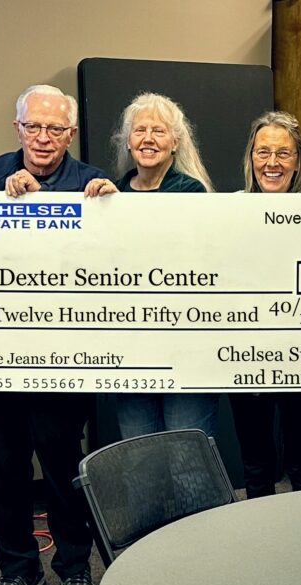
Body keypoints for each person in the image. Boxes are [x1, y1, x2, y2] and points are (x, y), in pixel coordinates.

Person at [0, 85, 101, 585]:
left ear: (70, 133)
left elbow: (111, 264)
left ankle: (73, 568)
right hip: (0, 358)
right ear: (17, 127)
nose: (43, 138)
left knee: (66, 469)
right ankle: (18, 570)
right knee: (4, 471)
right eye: (33, 127)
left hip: (65, 360)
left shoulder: (92, 184)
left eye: (55, 129)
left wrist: (112, 212)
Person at [84, 93, 216, 438]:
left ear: (175, 142)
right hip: (131, 347)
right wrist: (102, 212)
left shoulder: (192, 193)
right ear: (127, 141)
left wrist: (122, 214)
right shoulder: (111, 195)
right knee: (141, 453)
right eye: (139, 130)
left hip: (184, 345)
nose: (148, 139)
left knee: (188, 455)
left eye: (158, 130)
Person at [225, 111, 301, 497]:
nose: (272, 163)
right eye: (263, 152)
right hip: (247, 349)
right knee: (256, 459)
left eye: (283, 153)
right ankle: (259, 544)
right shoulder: (232, 208)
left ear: (298, 159)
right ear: (251, 157)